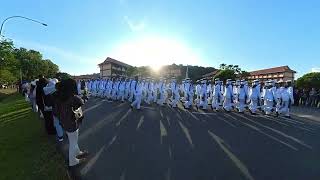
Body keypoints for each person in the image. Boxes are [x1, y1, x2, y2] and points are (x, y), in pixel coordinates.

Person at [56, 78, 88, 167]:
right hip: (72, 123)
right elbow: (82, 102)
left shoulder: (58, 96)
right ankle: (73, 161)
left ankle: (78, 152)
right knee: (73, 143)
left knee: (73, 140)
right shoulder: (73, 97)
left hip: (63, 122)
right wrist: (85, 96)